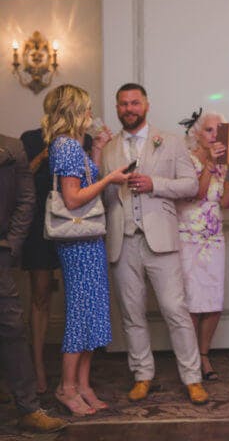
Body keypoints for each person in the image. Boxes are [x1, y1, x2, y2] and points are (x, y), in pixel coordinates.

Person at [100, 83, 209, 405]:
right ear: (117, 108)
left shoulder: (171, 143)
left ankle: (193, 378)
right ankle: (142, 375)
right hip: (122, 240)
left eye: (134, 103)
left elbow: (191, 185)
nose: (129, 109)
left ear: (146, 105)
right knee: (132, 314)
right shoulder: (108, 150)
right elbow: (105, 197)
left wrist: (155, 184)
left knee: (176, 310)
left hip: (161, 239)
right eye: (122, 104)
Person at [41, 84, 132, 415]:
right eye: (87, 108)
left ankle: (83, 385)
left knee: (93, 314)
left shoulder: (76, 147)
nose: (91, 114)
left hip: (90, 241)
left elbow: (86, 181)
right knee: (80, 315)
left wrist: (97, 150)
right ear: (73, 112)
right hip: (77, 244)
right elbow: (73, 198)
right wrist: (109, 180)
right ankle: (66, 388)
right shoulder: (64, 147)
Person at [0, 131, 67, 432]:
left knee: (12, 328)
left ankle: (28, 408)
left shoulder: (12, 147)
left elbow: (26, 200)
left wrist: (9, 245)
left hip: (0, 254)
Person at [176, 110, 229, 381]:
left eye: (219, 130)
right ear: (197, 134)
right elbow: (198, 192)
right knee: (192, 303)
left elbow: (226, 202)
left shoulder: (224, 163)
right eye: (209, 130)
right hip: (188, 239)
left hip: (214, 240)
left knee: (213, 302)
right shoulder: (186, 160)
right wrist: (208, 163)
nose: (215, 135)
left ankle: (204, 355)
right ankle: (190, 358)